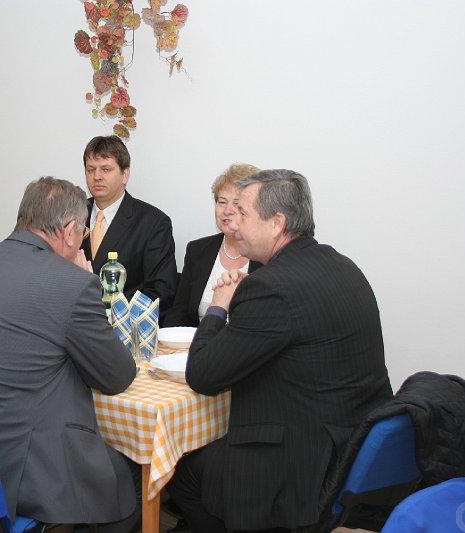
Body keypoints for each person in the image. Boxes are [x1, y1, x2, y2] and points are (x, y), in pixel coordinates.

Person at [167, 169, 392, 531]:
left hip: (300, 467)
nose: (233, 221)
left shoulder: (270, 287)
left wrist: (219, 306)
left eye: (243, 213)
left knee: (182, 472)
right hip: (352, 445)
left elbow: (203, 375)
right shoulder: (343, 265)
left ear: (277, 224)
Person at [0, 177, 139, 530]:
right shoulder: (72, 283)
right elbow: (117, 376)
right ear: (70, 231)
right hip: (16, 465)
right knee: (127, 483)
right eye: (83, 234)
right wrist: (81, 285)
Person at [80, 136, 178, 311]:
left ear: (125, 174)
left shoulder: (153, 223)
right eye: (90, 169)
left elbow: (160, 290)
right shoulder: (71, 216)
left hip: (124, 323)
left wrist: (111, 313)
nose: (97, 176)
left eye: (106, 169)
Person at [163, 163, 263, 327]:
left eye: (237, 203)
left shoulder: (268, 255)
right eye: (222, 202)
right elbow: (179, 313)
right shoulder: (198, 250)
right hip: (198, 340)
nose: (227, 210)